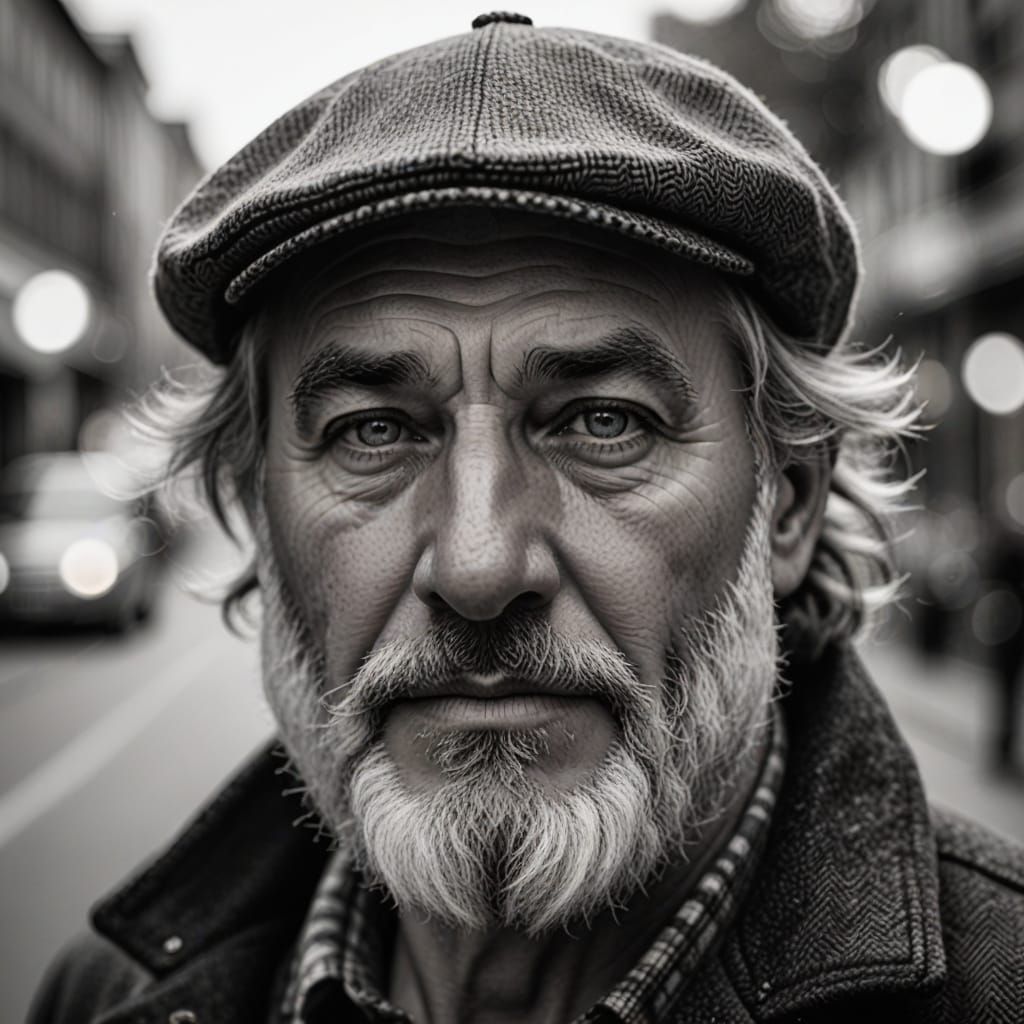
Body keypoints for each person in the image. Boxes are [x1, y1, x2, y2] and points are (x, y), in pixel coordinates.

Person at [30, 13, 1024, 1023]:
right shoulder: (103, 997)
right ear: (257, 514)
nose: (475, 565)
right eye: (372, 432)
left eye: (603, 424)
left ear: (788, 506)